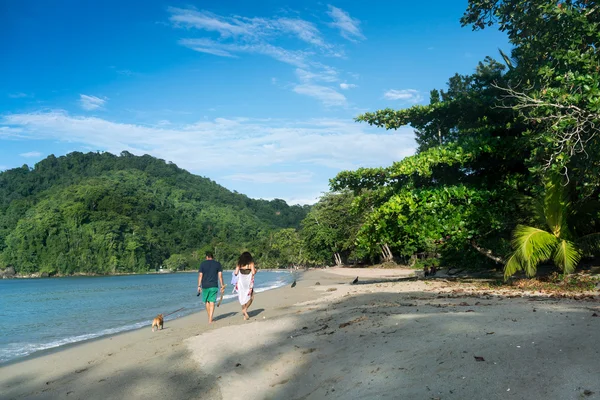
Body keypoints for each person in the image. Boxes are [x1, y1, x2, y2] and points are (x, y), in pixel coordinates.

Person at [197, 251, 225, 324]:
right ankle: (210, 319)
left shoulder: (202, 264)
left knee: (207, 301)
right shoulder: (217, 264)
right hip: (214, 285)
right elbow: (220, 276)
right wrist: (222, 285)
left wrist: (199, 286)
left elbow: (200, 275)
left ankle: (210, 318)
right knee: (212, 301)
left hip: (205, 286)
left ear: (206, 257)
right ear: (212, 257)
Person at [234, 251, 257, 320]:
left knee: (242, 297)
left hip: (241, 283)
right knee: (251, 297)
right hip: (248, 283)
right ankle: (245, 310)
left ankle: (245, 315)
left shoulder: (239, 264)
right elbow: (253, 272)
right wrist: (256, 270)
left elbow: (236, 273)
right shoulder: (251, 263)